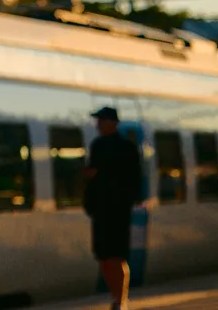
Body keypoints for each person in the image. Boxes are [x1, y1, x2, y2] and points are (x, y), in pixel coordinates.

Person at [83, 106, 142, 310]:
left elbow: (133, 178)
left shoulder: (126, 148)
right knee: (104, 257)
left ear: (113, 123)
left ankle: (120, 300)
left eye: (102, 120)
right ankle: (117, 297)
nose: (98, 124)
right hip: (100, 210)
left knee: (116, 256)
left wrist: (127, 200)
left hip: (117, 210)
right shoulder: (97, 145)